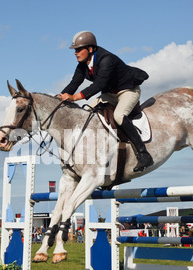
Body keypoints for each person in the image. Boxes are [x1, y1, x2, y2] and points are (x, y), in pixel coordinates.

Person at [59, 31, 154, 172]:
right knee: (86, 114)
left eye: (79, 49)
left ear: (90, 49)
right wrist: (60, 98)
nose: (75, 53)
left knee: (119, 116)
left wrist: (74, 98)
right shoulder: (82, 65)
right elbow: (74, 83)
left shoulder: (107, 60)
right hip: (110, 94)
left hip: (128, 91)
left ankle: (144, 155)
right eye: (75, 50)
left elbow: (99, 85)